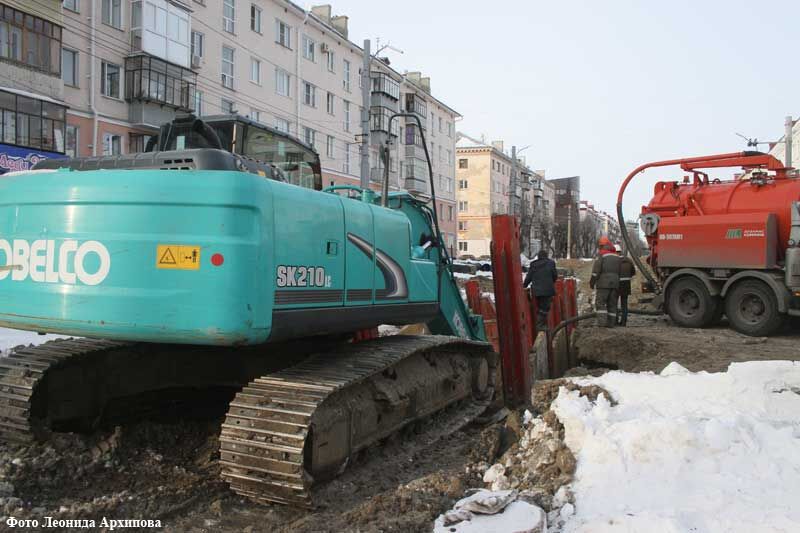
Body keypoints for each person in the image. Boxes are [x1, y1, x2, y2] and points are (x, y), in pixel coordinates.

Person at [590, 237, 621, 327]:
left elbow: (596, 271)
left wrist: (592, 282)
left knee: (600, 303)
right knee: (612, 304)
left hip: (603, 283)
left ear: (602, 246)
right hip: (615, 283)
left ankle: (602, 324)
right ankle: (611, 324)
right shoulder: (616, 256)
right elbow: (619, 271)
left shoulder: (601, 255)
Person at [523, 250, 559, 328]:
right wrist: (550, 282)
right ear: (546, 256)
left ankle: (541, 324)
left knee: (539, 307)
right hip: (547, 290)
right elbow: (555, 276)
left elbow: (529, 277)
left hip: (536, 291)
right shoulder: (551, 263)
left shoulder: (533, 264)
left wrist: (524, 285)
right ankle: (540, 325)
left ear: (538, 256)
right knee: (545, 308)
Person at [616, 244, 636, 326]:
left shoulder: (614, 261)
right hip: (626, 284)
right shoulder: (628, 260)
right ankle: (624, 322)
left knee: (614, 303)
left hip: (617, 284)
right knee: (624, 304)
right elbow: (633, 272)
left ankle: (615, 320)